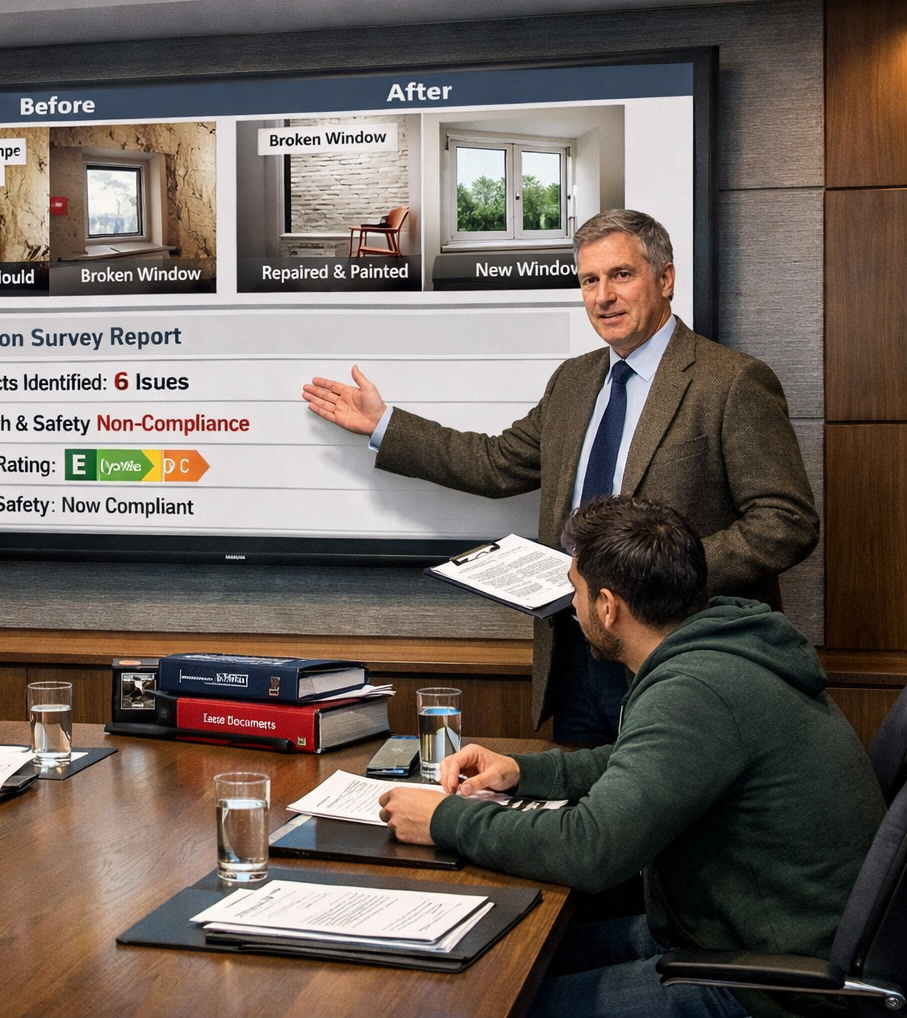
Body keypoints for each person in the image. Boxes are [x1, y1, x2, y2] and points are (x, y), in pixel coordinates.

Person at [303, 209, 818, 743]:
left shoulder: (731, 381)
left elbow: (786, 521)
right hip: (574, 651)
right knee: (575, 790)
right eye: (589, 281)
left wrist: (662, 576)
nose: (603, 297)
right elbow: (496, 463)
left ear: (665, 279)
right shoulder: (573, 381)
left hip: (679, 657)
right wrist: (384, 425)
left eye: (621, 275)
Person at [377, 496, 884, 1018]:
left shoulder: (695, 688)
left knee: (485, 1003)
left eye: (574, 590)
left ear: (607, 606)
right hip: (727, 932)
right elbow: (638, 762)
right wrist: (523, 770)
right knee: (490, 962)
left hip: (770, 981)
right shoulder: (722, 646)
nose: (571, 606)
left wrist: (445, 820)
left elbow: (591, 849)